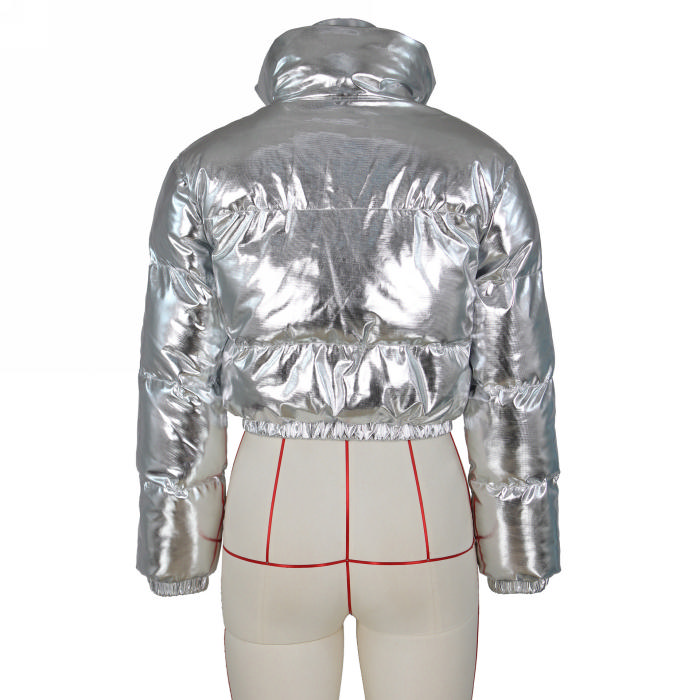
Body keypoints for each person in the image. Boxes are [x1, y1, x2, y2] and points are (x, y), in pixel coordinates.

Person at [135, 17, 561, 700]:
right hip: (420, 508)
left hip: (275, 509)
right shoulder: (480, 165)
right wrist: (519, 544)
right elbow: (512, 373)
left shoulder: (208, 167)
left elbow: (178, 375)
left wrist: (176, 544)